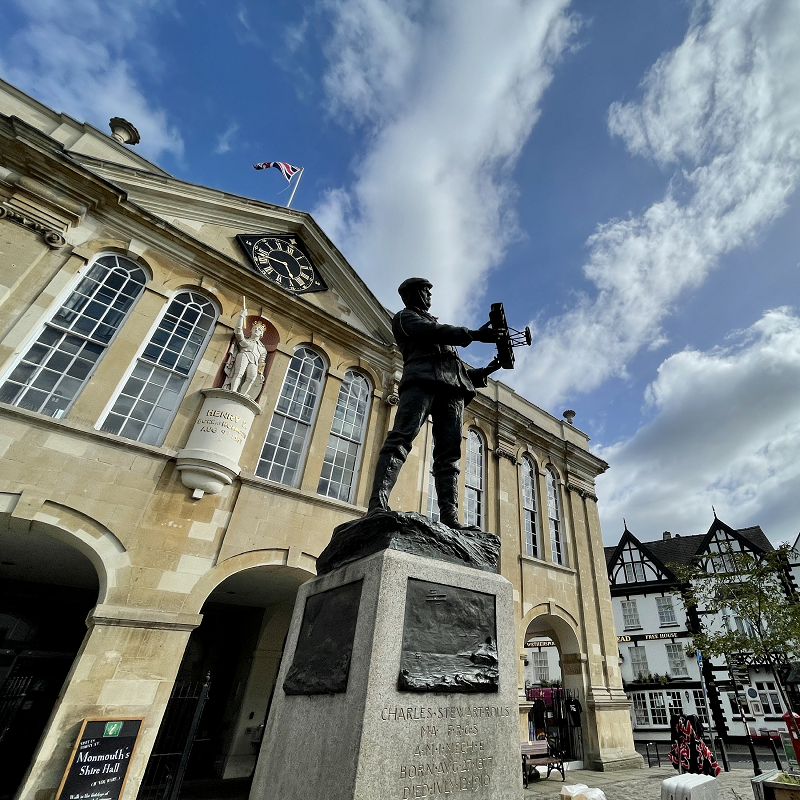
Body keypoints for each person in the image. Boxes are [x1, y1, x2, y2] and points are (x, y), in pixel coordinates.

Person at [367, 277, 500, 530]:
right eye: (425, 292)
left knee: (449, 454)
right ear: (412, 295)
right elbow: (434, 334)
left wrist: (488, 369)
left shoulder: (436, 328)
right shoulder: (406, 318)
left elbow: (453, 370)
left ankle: (449, 518)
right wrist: (473, 334)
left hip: (451, 392)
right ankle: (377, 503)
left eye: (430, 292)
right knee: (401, 438)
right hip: (421, 382)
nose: (429, 296)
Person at [223, 309, 268, 399]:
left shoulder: (263, 349)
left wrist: (261, 373)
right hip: (244, 355)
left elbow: (261, 362)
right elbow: (238, 332)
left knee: (251, 378)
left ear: (261, 334)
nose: (256, 330)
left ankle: (241, 395)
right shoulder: (246, 341)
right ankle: (233, 391)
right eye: (255, 328)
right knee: (239, 373)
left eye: (259, 329)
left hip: (254, 362)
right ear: (251, 331)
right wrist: (241, 316)